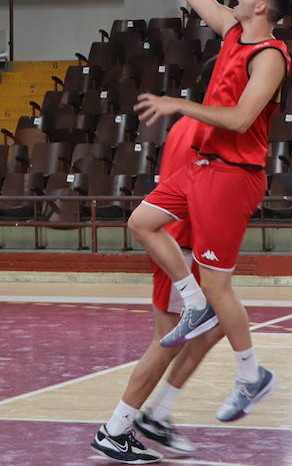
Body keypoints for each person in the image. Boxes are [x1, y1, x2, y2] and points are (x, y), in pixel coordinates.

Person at [91, 0, 292, 463]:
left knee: (216, 293)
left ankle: (249, 374)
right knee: (140, 221)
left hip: (233, 174)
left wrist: (182, 106)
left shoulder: (270, 55)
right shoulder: (232, 32)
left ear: (263, 5)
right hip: (203, 171)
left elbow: (241, 117)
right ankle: (189, 319)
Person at [96, 115, 224, 463]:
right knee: (168, 339)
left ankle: (158, 413)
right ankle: (116, 429)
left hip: (183, 242)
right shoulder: (209, 126)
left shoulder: (189, 122)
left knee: (216, 326)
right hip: (178, 244)